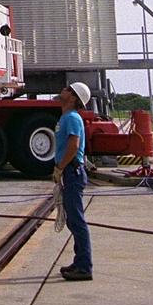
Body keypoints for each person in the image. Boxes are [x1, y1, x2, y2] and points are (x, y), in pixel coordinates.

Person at [54, 82, 93, 281]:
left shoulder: (71, 118)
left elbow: (73, 145)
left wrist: (60, 167)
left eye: (68, 89)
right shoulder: (67, 117)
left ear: (74, 98)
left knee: (76, 220)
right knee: (73, 219)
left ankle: (84, 267)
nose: (64, 89)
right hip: (70, 171)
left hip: (72, 172)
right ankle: (80, 262)